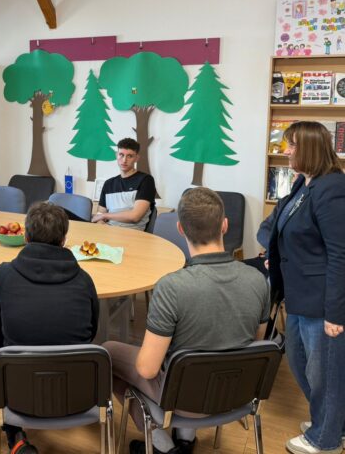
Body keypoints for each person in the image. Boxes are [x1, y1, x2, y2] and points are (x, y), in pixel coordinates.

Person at [104, 187, 269, 454]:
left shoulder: (172, 287)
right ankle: (186, 437)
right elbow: (256, 344)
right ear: (225, 225)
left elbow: (147, 370)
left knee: (108, 354)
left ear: (180, 229)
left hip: (183, 399)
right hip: (237, 392)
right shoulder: (258, 280)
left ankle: (163, 445)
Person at [0, 202, 99, 454]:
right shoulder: (84, 280)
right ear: (64, 239)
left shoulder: (3, 275)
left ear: (25, 236)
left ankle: (15, 437)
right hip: (78, 393)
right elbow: (91, 331)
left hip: (18, 390)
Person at [261, 121, 345, 454]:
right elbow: (288, 230)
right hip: (297, 294)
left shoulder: (332, 188)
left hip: (321, 301)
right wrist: (276, 256)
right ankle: (331, 422)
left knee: (325, 374)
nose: (286, 151)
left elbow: (340, 254)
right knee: (299, 362)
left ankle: (325, 439)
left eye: (291, 145)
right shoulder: (303, 182)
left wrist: (335, 313)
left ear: (308, 148)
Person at [92, 138, 156, 231]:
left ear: (137, 158)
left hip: (132, 234)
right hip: (108, 232)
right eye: (121, 155)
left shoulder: (146, 180)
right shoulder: (108, 184)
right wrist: (102, 224)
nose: (124, 160)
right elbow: (99, 215)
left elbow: (135, 216)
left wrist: (105, 216)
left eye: (130, 156)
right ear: (116, 155)